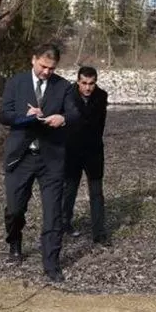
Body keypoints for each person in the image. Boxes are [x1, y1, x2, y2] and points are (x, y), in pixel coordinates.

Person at [0, 43, 79, 283]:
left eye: (51, 68)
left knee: (53, 212)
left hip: (51, 158)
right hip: (21, 156)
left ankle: (51, 263)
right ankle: (14, 242)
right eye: (43, 66)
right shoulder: (16, 83)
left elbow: (75, 113)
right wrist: (25, 117)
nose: (47, 72)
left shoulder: (63, 86)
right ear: (33, 59)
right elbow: (3, 115)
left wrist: (62, 118)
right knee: (15, 208)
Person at [62, 66, 109, 244]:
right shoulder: (68, 95)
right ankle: (64, 223)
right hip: (72, 150)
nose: (88, 87)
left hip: (94, 150)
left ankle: (99, 233)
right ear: (78, 81)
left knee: (96, 192)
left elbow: (100, 123)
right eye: (84, 83)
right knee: (69, 190)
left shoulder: (101, 96)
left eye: (91, 83)